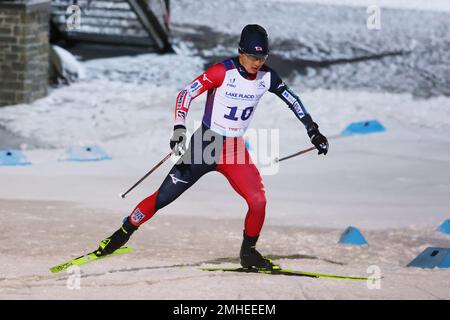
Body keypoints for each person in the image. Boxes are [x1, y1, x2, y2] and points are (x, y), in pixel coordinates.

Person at [94, 24, 328, 269]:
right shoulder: (221, 72)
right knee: (162, 198)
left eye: (262, 57)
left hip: (234, 149)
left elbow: (293, 100)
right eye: (252, 57)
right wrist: (179, 128)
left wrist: (312, 129)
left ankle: (248, 254)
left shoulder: (267, 77)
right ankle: (123, 232)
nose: (257, 63)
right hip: (205, 144)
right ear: (241, 52)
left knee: (258, 201)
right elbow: (185, 94)